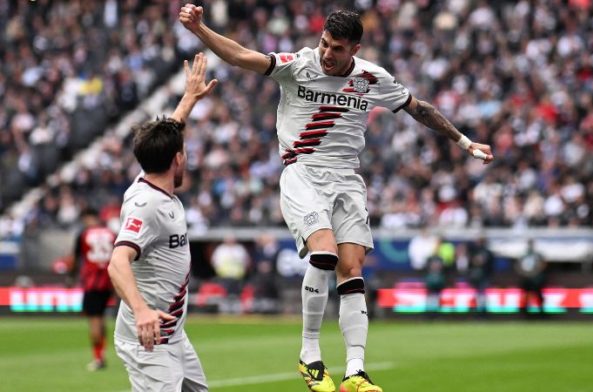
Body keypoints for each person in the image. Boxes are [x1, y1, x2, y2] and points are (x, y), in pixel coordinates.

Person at [179, 6, 493, 392]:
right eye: (325, 43)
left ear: (354, 49)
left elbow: (419, 109)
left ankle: (355, 372)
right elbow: (242, 55)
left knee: (352, 268)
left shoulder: (372, 78)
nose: (327, 53)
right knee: (323, 252)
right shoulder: (297, 65)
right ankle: (310, 356)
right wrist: (199, 29)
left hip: (347, 179)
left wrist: (464, 142)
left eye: (337, 48)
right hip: (303, 171)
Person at [107, 53, 217, 391]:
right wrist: (140, 310)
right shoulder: (147, 205)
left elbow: (168, 135)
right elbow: (116, 261)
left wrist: (188, 99)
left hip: (172, 335)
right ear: (178, 159)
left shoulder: (150, 173)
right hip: (149, 338)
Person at [72, 207, 116, 371]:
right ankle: (102, 354)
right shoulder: (112, 233)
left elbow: (75, 259)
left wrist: (71, 277)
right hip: (110, 281)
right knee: (102, 318)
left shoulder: (84, 234)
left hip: (92, 283)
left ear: (87, 218)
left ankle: (98, 359)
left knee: (94, 321)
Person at [515, 239, 546, 315]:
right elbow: (518, 266)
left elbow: (542, 265)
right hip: (527, 278)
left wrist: (535, 273)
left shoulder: (536, 255)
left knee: (538, 294)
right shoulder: (524, 255)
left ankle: (540, 311)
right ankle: (526, 311)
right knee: (526, 294)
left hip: (535, 278)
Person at [467, 235, 494, 314]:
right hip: (476, 277)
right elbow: (471, 263)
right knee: (478, 294)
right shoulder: (474, 251)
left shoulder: (486, 252)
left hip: (484, 276)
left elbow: (489, 264)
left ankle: (482, 312)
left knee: (482, 295)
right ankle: (478, 311)